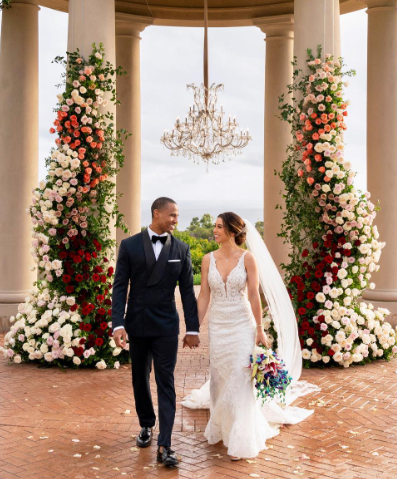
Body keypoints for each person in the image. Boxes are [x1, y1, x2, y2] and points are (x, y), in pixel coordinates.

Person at [182, 212, 319, 460]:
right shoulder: (206, 259)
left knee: (239, 376)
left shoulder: (248, 258)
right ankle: (223, 425)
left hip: (241, 324)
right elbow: (203, 295)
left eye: (219, 227)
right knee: (220, 377)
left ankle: (241, 437)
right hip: (218, 324)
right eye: (215, 226)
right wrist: (194, 328)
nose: (215, 230)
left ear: (233, 232)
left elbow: (254, 294)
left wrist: (259, 328)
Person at [112, 197, 200, 468]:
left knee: (166, 381)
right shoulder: (129, 245)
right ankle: (146, 425)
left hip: (165, 327)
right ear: (156, 213)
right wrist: (118, 323)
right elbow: (119, 287)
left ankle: (166, 443)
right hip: (136, 324)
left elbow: (187, 292)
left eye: (177, 216)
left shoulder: (182, 249)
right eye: (172, 215)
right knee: (140, 378)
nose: (176, 220)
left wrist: (192, 327)